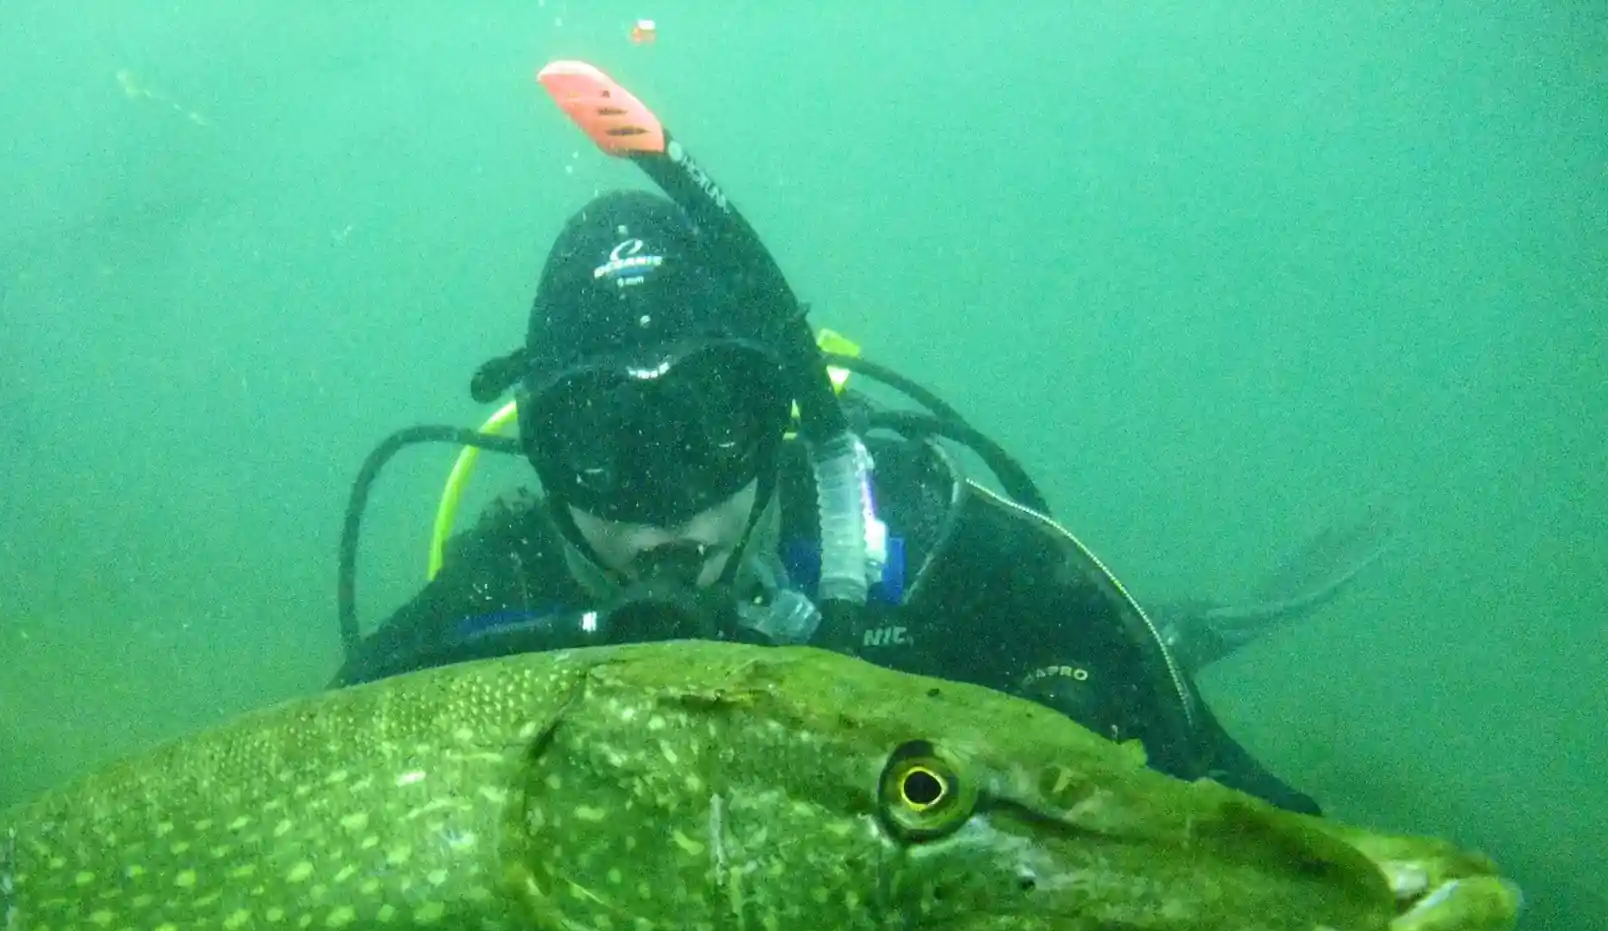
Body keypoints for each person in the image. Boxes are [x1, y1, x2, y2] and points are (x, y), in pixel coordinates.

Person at [336, 189, 1350, 819]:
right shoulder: (488, 606)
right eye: (601, 444)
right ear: (542, 455)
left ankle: (1195, 624)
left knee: (1136, 660)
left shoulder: (908, 535)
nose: (666, 507)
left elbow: (1232, 800)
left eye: (710, 423)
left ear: (779, 415)